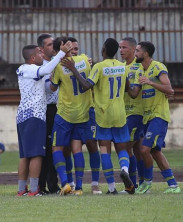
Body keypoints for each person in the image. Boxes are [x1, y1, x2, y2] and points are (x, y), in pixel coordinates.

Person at [61, 38, 135, 194]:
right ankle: (124, 169)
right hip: (120, 113)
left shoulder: (99, 67)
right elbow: (128, 89)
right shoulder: (123, 67)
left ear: (103, 50)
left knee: (105, 150)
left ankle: (111, 187)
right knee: (122, 148)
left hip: (103, 114)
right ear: (116, 51)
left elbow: (87, 85)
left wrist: (74, 69)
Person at [16, 41, 72, 196]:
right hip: (35, 116)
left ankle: (22, 190)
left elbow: (47, 83)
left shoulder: (22, 69)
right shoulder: (33, 69)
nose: (43, 55)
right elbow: (46, 68)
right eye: (39, 53)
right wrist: (61, 53)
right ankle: (34, 190)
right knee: (36, 154)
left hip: (22, 116)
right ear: (33, 58)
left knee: (25, 155)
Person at [128, 41, 181, 194]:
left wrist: (151, 82)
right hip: (147, 117)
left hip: (158, 116)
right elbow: (134, 94)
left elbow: (169, 89)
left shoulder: (158, 67)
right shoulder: (139, 71)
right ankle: (173, 185)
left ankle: (147, 183)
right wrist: (125, 84)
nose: (135, 53)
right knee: (155, 152)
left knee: (144, 149)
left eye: (137, 51)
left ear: (145, 53)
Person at [50, 36, 93, 196]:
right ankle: (80, 188)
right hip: (82, 114)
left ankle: (65, 183)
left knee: (57, 148)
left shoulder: (59, 67)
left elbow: (53, 88)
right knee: (77, 150)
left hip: (65, 114)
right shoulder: (84, 59)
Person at [68, 37, 102, 195]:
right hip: (71, 114)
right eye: (72, 49)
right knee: (73, 149)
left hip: (89, 111)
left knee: (92, 144)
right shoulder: (60, 66)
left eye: (76, 49)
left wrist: (90, 63)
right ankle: (74, 184)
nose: (75, 52)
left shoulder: (86, 62)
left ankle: (95, 184)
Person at [36, 33, 61, 194]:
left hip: (56, 109)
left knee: (55, 147)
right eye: (50, 45)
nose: (54, 47)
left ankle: (53, 185)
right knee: (45, 148)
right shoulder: (43, 66)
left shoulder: (54, 63)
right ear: (41, 49)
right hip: (45, 109)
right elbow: (48, 88)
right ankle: (41, 185)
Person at [119, 37, 144, 191]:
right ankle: (142, 184)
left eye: (124, 47)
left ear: (133, 50)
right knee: (138, 150)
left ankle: (132, 184)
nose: (121, 50)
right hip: (123, 113)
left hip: (135, 113)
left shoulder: (137, 67)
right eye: (120, 47)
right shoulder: (121, 67)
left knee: (126, 146)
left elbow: (134, 93)